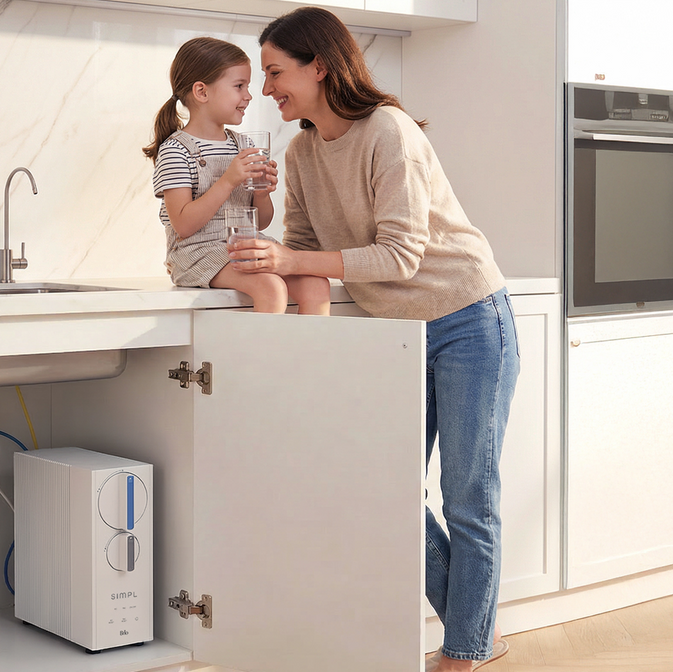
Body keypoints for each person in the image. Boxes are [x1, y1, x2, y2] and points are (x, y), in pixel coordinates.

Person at [229, 7, 520, 671]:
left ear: (320, 67)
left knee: (469, 497)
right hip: (397, 334)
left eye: (275, 71)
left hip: (469, 316)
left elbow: (400, 257)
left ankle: (464, 653)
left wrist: (292, 263)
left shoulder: (388, 131)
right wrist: (257, 233)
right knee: (385, 488)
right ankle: (477, 633)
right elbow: (302, 248)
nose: (267, 87)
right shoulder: (302, 152)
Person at [145, 37, 330, 315]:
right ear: (202, 92)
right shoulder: (175, 151)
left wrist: (262, 192)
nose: (249, 95)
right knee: (271, 287)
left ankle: (305, 359)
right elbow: (183, 225)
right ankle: (265, 360)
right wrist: (228, 180)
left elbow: (262, 221)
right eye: (239, 86)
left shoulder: (242, 145)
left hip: (243, 245)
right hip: (197, 252)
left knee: (316, 284)